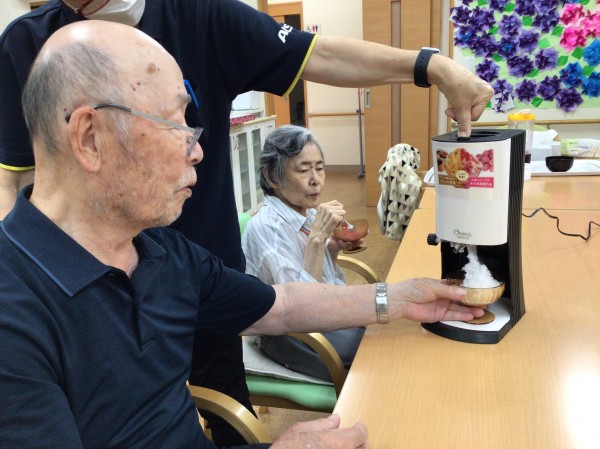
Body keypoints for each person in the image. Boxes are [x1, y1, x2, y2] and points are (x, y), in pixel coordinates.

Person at [0, 0, 494, 444]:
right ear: (90, 138)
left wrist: (399, 297)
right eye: (176, 123)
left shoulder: (166, 255)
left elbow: (280, 306)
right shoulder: (18, 320)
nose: (199, 151)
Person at [242, 125, 365, 381]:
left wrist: (332, 249)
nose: (316, 179)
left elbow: (319, 280)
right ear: (272, 177)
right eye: (303, 170)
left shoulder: (306, 212)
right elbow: (301, 310)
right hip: (290, 335)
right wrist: (318, 240)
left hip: (323, 314)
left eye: (319, 168)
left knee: (384, 328)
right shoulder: (267, 227)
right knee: (373, 352)